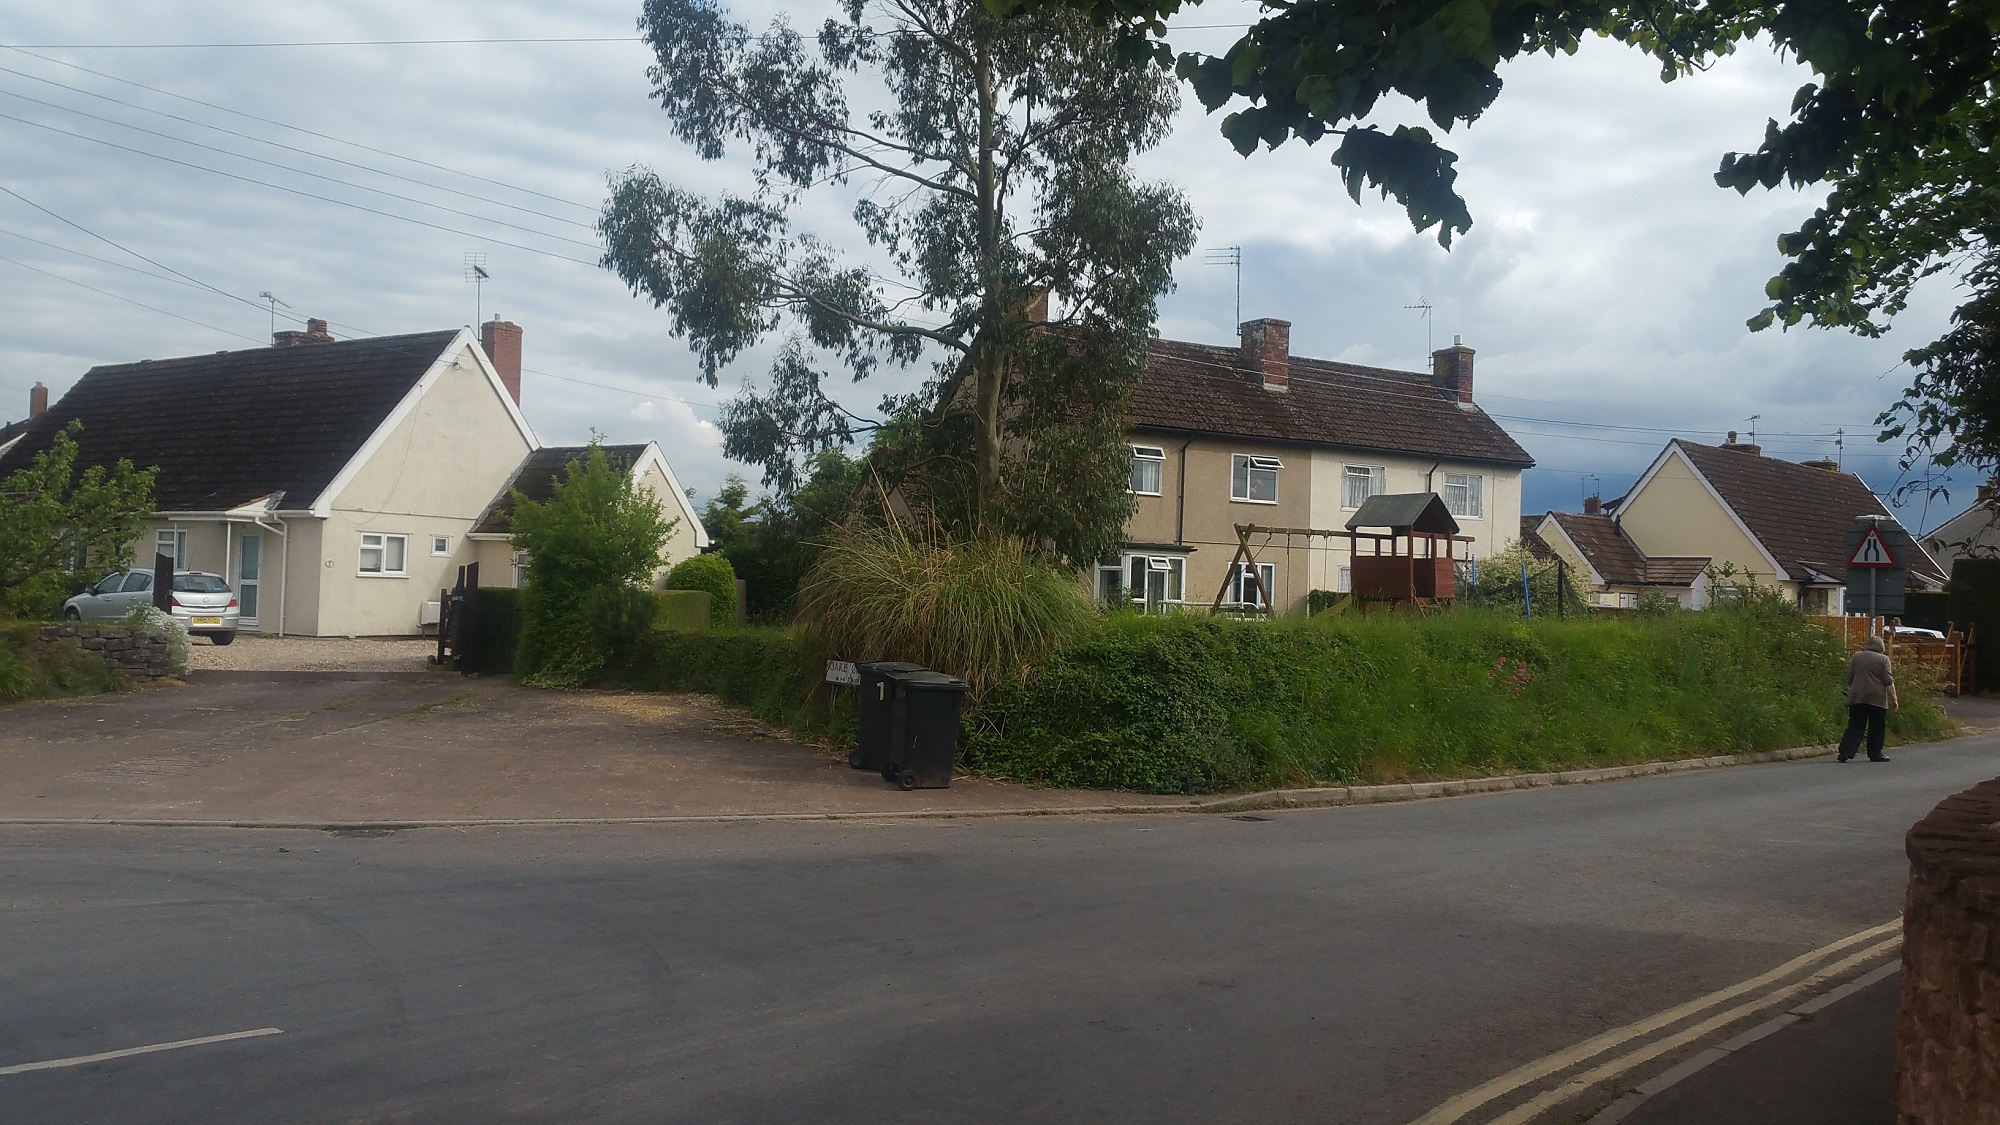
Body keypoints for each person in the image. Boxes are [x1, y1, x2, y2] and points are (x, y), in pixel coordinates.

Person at [1837, 635, 1899, 763]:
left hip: (1857, 695)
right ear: (1881, 647)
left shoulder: (1857, 656)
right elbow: (1888, 680)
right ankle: (1875, 754)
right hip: (1877, 698)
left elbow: (1851, 676)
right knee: (1877, 726)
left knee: (1855, 724)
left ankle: (1845, 752)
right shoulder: (1884, 659)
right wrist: (1894, 698)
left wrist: (1853, 687)